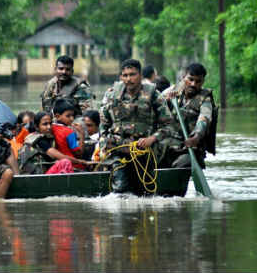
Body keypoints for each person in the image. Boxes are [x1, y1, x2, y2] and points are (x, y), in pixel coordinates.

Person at [99, 59, 174, 195]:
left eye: (132, 74)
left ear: (140, 76)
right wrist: (105, 145)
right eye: (125, 75)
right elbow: (103, 125)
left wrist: (152, 138)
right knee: (120, 189)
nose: (129, 79)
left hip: (144, 151)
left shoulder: (154, 95)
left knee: (146, 192)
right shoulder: (111, 95)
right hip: (119, 151)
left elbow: (168, 125)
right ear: (121, 77)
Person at [162, 63, 216, 168]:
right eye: (190, 79)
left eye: (198, 81)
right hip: (167, 145)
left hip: (189, 148)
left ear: (202, 82)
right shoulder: (173, 91)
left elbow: (204, 118)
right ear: (184, 78)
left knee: (183, 163)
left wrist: (197, 136)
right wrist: (166, 101)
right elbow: (153, 104)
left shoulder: (205, 99)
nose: (193, 84)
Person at [18, 111, 90, 174]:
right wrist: (80, 161)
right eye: (45, 124)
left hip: (43, 172)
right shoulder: (39, 140)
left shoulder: (47, 136)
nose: (49, 127)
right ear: (37, 127)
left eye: (50, 123)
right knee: (65, 162)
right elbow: (59, 156)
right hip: (35, 176)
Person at [51, 98, 87, 170]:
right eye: (68, 116)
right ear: (57, 116)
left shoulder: (51, 128)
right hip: (71, 166)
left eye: (72, 115)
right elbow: (79, 154)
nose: (72, 119)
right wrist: (82, 135)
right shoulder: (68, 132)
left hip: (56, 165)